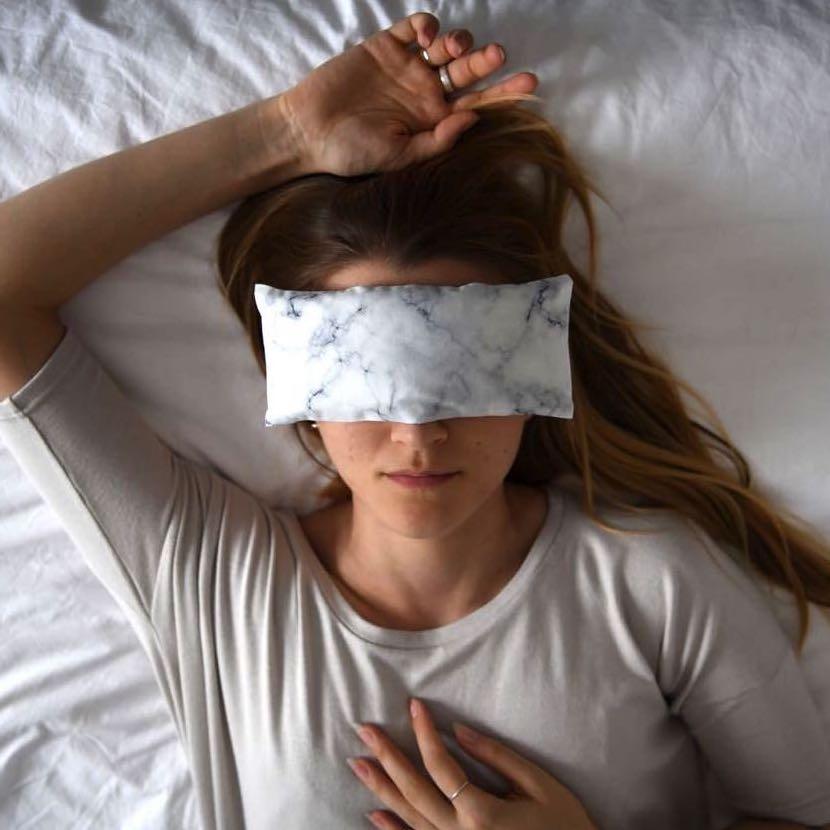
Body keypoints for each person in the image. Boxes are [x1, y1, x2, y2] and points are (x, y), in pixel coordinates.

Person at [0, 10, 829, 830]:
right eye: (364, 378)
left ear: (536, 364)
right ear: (297, 385)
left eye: (464, 373)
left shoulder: (653, 582)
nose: (418, 433)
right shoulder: (215, 577)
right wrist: (286, 132)